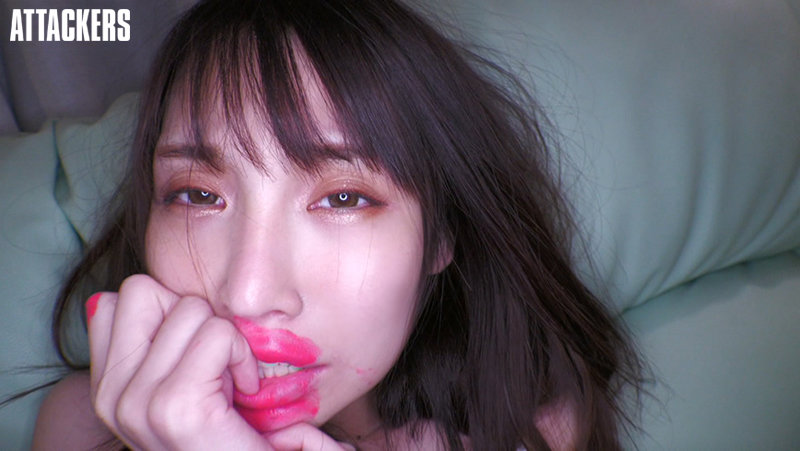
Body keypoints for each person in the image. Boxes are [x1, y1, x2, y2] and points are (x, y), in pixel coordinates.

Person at [32, 0, 643, 449]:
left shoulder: (525, 430)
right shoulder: (87, 428)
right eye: (197, 195)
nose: (248, 294)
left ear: (441, 236)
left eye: (343, 198)